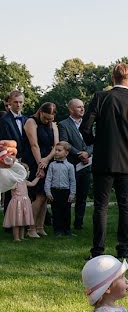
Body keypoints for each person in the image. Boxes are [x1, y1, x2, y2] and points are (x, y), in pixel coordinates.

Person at [81, 62, 128, 260]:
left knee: (101, 205)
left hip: (103, 158)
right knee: (124, 205)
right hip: (126, 159)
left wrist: (96, 143)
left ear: (113, 78)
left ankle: (98, 250)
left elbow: (85, 128)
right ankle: (123, 249)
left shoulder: (101, 97)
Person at [21, 102, 58, 237]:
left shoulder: (53, 125)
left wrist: (47, 160)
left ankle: (40, 226)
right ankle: (30, 228)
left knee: (45, 196)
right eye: (46, 118)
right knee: (39, 196)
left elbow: (56, 145)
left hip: (46, 160)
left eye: (51, 118)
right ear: (41, 112)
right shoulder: (31, 122)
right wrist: (40, 165)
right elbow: (34, 145)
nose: (48, 120)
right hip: (33, 160)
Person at [58, 98, 93, 231]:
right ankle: (64, 225)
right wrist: (80, 154)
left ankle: (79, 224)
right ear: (71, 109)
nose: (82, 109)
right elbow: (64, 142)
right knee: (68, 195)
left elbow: (93, 142)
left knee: (82, 196)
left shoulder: (88, 123)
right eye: (78, 107)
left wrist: (87, 154)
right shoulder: (63, 124)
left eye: (83, 106)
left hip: (86, 165)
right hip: (72, 165)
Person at [1, 91, 26, 216]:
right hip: (10, 158)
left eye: (21, 102)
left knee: (22, 191)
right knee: (10, 191)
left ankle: (22, 219)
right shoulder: (4, 120)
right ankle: (9, 221)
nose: (18, 105)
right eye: (15, 102)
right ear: (10, 103)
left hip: (25, 157)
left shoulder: (26, 119)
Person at [43, 141, 77, 236]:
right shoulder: (52, 165)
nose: (56, 152)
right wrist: (48, 192)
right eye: (55, 150)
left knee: (66, 211)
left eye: (59, 150)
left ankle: (67, 230)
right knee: (56, 211)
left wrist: (72, 193)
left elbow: (72, 181)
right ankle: (58, 230)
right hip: (55, 191)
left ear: (66, 153)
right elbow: (48, 179)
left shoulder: (70, 166)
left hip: (66, 191)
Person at [3, 161, 37, 241]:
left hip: (25, 202)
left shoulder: (24, 181)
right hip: (17, 203)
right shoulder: (15, 181)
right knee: (17, 221)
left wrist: (38, 177)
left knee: (23, 221)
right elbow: (8, 185)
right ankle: (16, 237)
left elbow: (32, 183)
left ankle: (22, 237)